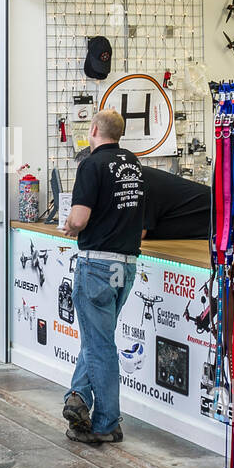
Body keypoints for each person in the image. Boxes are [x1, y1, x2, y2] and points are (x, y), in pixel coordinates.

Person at [58, 109, 145, 445]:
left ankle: (107, 421)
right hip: (126, 266)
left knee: (100, 345)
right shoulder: (134, 165)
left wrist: (69, 225)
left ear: (93, 129)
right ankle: (78, 398)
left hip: (96, 266)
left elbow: (79, 218)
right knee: (98, 340)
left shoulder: (91, 165)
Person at [140, 165, 210, 241]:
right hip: (184, 236)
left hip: (212, 223)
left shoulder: (138, 181)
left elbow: (137, 234)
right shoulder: (138, 175)